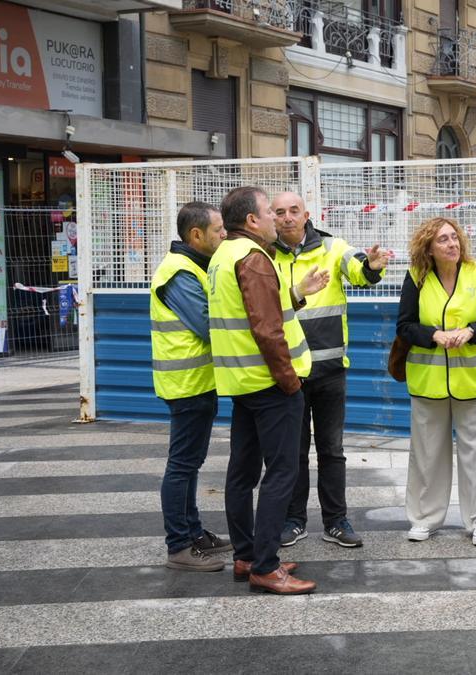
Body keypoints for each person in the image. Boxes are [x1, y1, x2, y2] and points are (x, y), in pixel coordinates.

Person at [208, 186, 329, 595]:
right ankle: (266, 565)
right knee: (281, 473)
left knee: (241, 471)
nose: (278, 219)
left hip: (242, 381)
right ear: (252, 221)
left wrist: (297, 293)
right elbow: (267, 328)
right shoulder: (254, 258)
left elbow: (260, 310)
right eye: (269, 212)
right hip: (270, 382)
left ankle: (247, 555)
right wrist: (290, 381)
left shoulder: (225, 255)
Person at [272, 192, 389, 549]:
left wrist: (371, 266)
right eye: (280, 212)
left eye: (294, 211)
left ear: (307, 214)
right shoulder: (264, 255)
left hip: (330, 371)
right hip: (288, 372)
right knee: (292, 450)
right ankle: (294, 521)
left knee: (331, 450)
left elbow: (359, 271)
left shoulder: (332, 248)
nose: (288, 217)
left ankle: (335, 520)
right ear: (272, 218)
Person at [396, 218, 476, 546]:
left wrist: (471, 331)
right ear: (428, 247)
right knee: (427, 454)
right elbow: (405, 325)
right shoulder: (416, 278)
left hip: (474, 380)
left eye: (454, 238)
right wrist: (434, 335)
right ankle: (424, 519)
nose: (452, 244)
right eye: (442, 240)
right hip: (428, 382)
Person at [150, 202, 231, 572]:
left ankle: (194, 533)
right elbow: (206, 324)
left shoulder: (192, 267)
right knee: (182, 465)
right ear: (196, 235)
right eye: (218, 230)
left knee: (191, 463)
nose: (224, 235)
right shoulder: (179, 273)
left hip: (197, 382)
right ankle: (179, 546)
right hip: (186, 385)